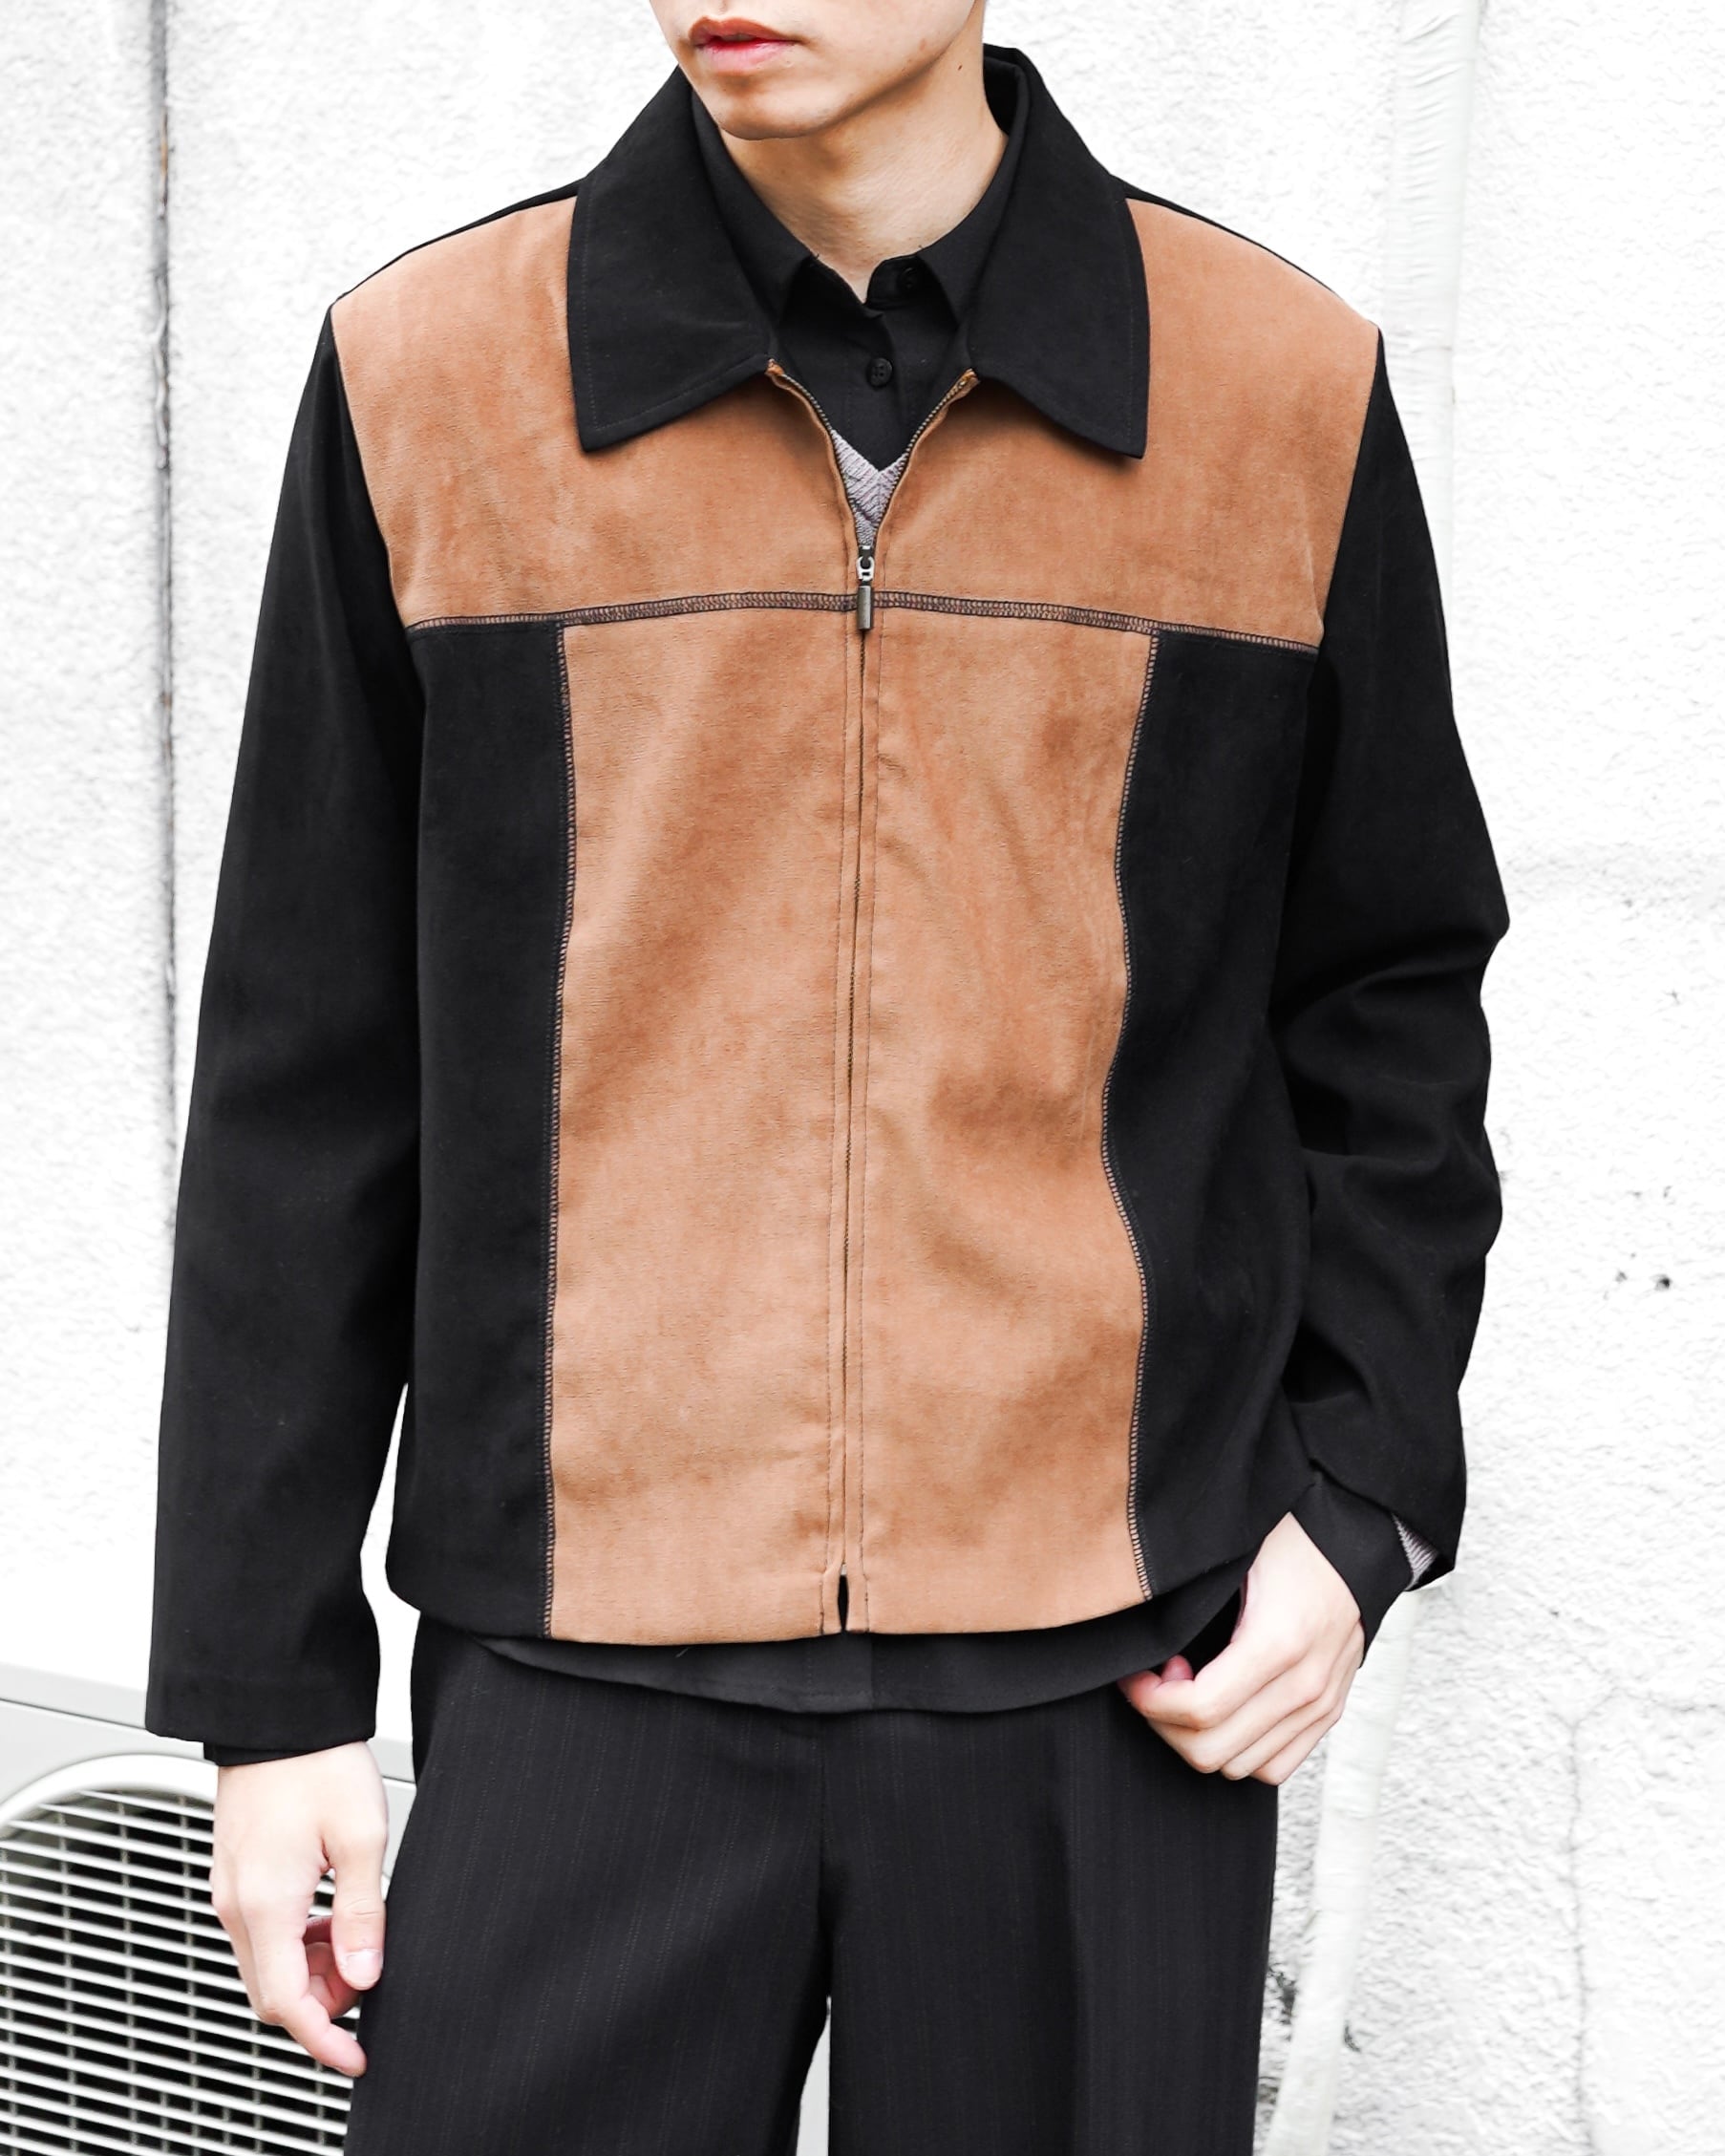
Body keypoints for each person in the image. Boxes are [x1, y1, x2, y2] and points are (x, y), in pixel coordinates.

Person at [144, 4, 1509, 2148]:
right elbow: (308, 1062)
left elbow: (1390, 994)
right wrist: (268, 1689)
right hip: (578, 1647)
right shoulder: (434, 376)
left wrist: (1363, 1501)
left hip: (1111, 1663)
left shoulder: (1273, 389)